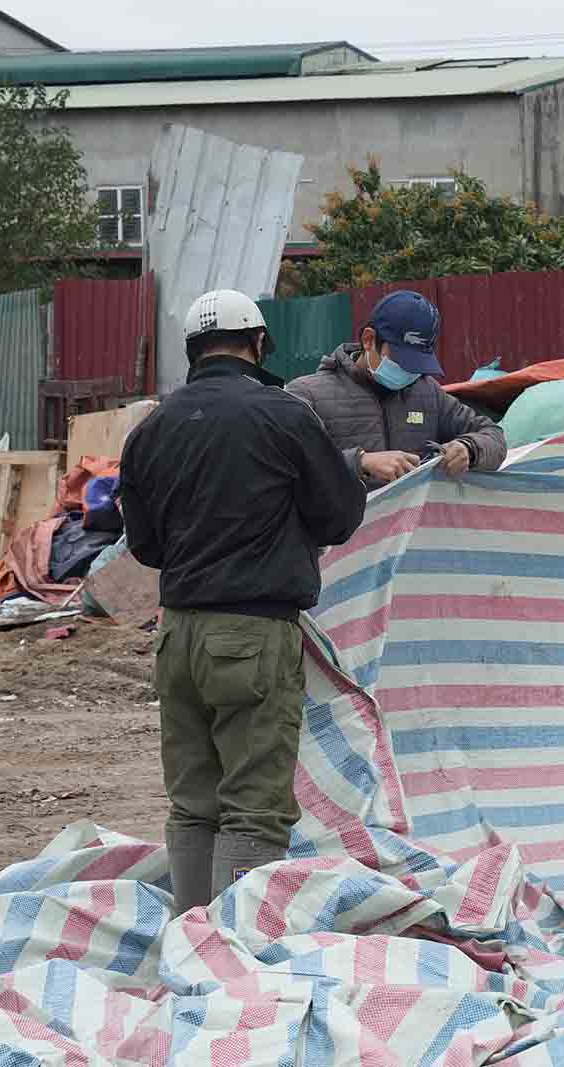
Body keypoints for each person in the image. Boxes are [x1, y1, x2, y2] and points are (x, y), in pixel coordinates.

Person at [119, 289, 366, 915]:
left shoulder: (152, 428)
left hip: (177, 637)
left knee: (193, 802)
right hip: (253, 635)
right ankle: (233, 958)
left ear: (193, 351)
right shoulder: (285, 416)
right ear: (258, 345)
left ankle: (191, 937)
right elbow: (339, 516)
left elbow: (145, 545)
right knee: (254, 808)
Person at [286, 291, 506, 489]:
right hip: (341, 533)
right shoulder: (308, 395)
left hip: (408, 531)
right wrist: (361, 462)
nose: (410, 372)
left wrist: (469, 448)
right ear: (369, 340)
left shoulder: (428, 393)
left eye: (417, 364)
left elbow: (493, 436)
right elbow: (284, 462)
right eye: (402, 360)